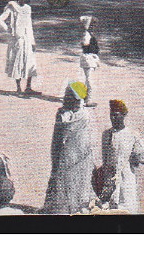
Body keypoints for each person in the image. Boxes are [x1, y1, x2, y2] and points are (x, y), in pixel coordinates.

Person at [42, 82, 96, 214]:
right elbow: (59, 137)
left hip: (78, 154)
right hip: (71, 153)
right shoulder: (70, 114)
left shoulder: (78, 115)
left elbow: (64, 134)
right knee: (67, 181)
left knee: (75, 181)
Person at [99, 100, 144, 213]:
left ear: (123, 115)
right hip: (110, 180)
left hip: (127, 179)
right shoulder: (106, 135)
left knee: (128, 208)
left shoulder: (132, 134)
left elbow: (142, 157)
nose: (113, 118)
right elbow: (105, 158)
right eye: (111, 115)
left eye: (116, 115)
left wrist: (135, 157)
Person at [0, 0, 40, 96]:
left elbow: (29, 26)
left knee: (30, 63)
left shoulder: (27, 8)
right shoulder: (11, 7)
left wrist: (32, 41)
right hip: (17, 40)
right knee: (18, 62)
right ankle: (18, 88)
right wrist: (9, 30)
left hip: (27, 39)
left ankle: (28, 87)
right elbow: (0, 20)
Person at [79, 16, 100, 106]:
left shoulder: (89, 34)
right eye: (92, 25)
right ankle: (88, 100)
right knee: (89, 80)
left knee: (88, 79)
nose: (94, 27)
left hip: (90, 58)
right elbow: (85, 44)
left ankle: (85, 96)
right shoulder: (87, 35)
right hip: (88, 58)